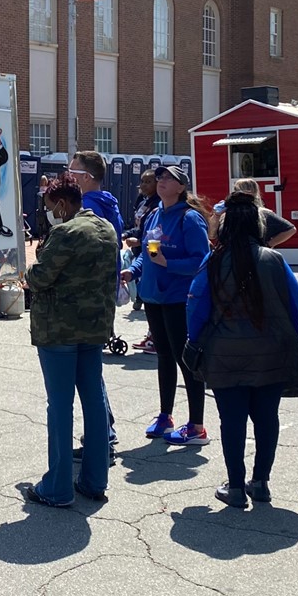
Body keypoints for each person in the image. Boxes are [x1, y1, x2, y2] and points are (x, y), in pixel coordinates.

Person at [185, 192, 298, 508]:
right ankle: (262, 482)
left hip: (225, 355)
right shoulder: (274, 259)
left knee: (233, 421)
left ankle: (236, 486)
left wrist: (195, 340)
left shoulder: (213, 261)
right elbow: (295, 306)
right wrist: (291, 339)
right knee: (267, 418)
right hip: (271, 353)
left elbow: (196, 308)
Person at [21, 174, 117, 507]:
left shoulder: (65, 232)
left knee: (60, 405)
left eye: (50, 207)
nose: (49, 213)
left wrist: (29, 269)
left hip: (60, 328)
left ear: (61, 204)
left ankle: (58, 487)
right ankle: (94, 479)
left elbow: (40, 278)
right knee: (94, 400)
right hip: (95, 327)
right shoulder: (106, 228)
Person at [123, 165, 211, 446]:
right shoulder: (154, 214)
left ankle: (197, 425)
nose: (161, 182)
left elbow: (202, 260)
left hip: (178, 299)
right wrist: (133, 271)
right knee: (163, 357)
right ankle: (165, 416)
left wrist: (168, 264)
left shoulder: (190, 218)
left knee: (187, 360)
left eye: (168, 178)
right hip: (153, 297)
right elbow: (147, 254)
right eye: (159, 177)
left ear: (181, 187)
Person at [72, 150, 123, 454]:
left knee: (87, 369)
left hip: (91, 294)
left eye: (74, 170)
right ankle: (105, 430)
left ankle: (102, 436)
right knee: (91, 367)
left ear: (87, 177)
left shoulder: (89, 206)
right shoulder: (108, 202)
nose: (69, 174)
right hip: (104, 291)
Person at [211, 178, 297, 247]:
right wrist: (269, 245)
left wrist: (267, 245)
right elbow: (290, 229)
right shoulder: (225, 213)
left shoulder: (263, 214)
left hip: (230, 258)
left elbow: (211, 235)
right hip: (256, 257)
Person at [124, 170, 160, 316]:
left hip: (149, 247)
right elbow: (140, 226)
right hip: (140, 249)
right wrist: (126, 234)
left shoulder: (158, 205)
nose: (143, 185)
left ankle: (142, 298)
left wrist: (139, 242)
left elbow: (156, 235)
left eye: (148, 182)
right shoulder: (142, 200)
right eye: (142, 181)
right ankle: (141, 296)